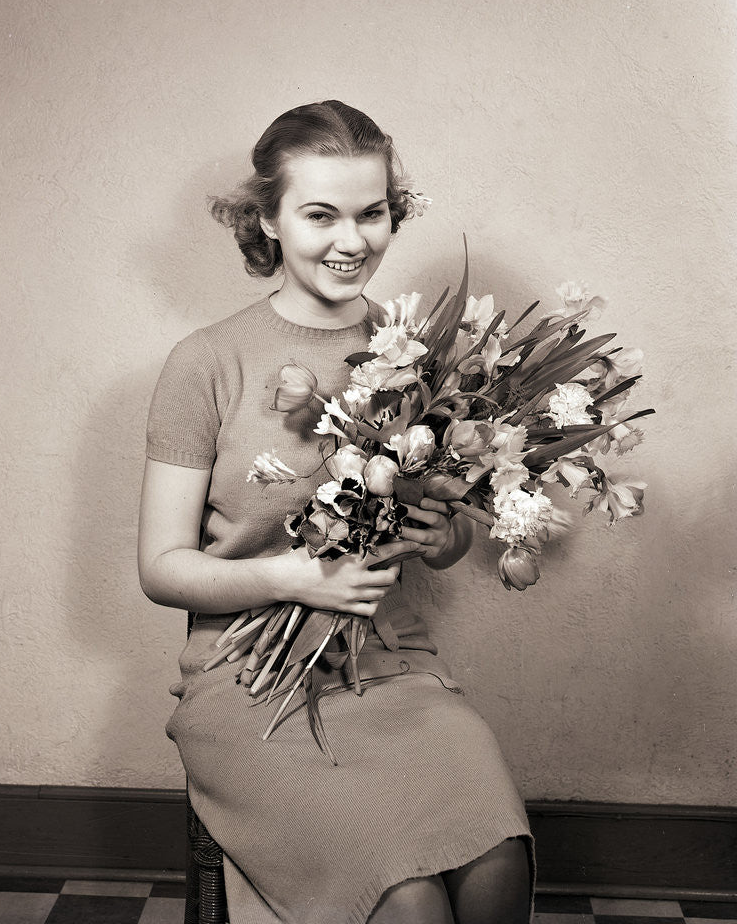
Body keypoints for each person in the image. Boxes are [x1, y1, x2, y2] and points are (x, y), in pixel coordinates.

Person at [138, 100, 533, 924]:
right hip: (247, 679)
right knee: (406, 901)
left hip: (392, 663)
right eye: (320, 215)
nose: (351, 241)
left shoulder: (427, 353)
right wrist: (294, 577)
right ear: (267, 219)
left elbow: (445, 533)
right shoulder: (205, 363)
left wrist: (441, 533)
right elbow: (161, 569)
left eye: (371, 213)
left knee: (500, 862)